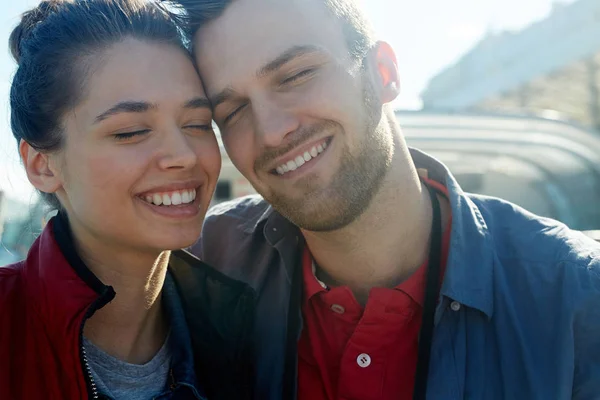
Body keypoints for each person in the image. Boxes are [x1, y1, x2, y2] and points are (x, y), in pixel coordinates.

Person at [168, 0, 600, 399]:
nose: (270, 131)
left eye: (296, 75)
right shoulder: (195, 270)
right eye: (233, 112)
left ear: (384, 72)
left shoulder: (577, 299)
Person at [0, 1, 259, 399]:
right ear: (42, 165)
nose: (185, 155)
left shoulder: (246, 329)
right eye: (132, 131)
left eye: (196, 124)